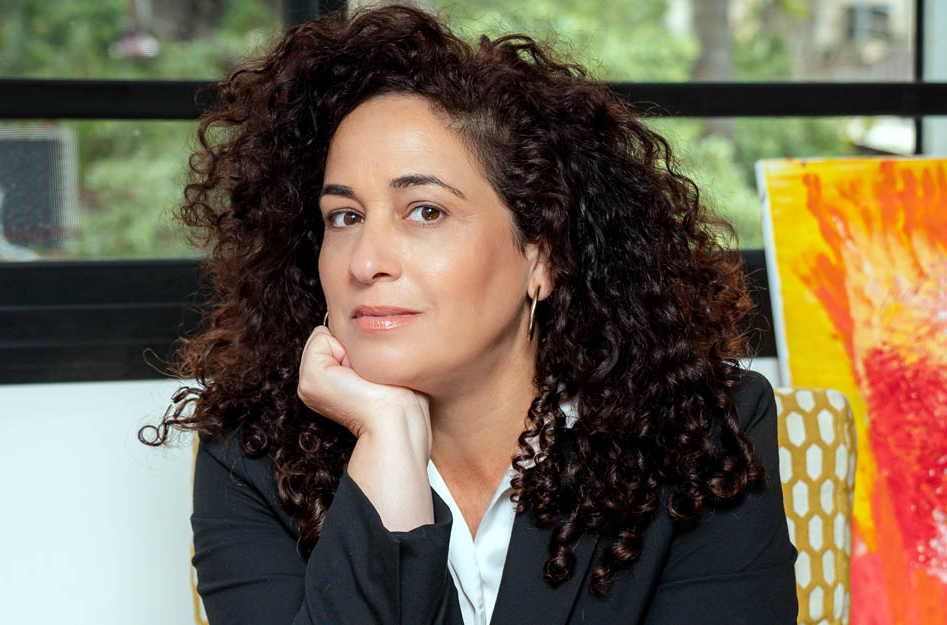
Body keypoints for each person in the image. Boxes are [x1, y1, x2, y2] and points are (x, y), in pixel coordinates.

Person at [140, 3, 798, 624]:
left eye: (426, 211)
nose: (365, 260)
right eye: (344, 217)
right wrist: (388, 440)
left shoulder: (700, 429)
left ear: (541, 256)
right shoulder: (252, 458)